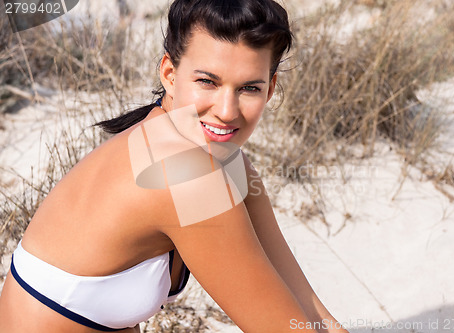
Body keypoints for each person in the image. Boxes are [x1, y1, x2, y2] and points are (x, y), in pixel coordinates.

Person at [0, 0, 348, 332]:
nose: (227, 111)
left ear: (270, 89)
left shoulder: (227, 162)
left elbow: (310, 311)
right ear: (169, 73)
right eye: (207, 81)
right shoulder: (188, 174)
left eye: (249, 88)